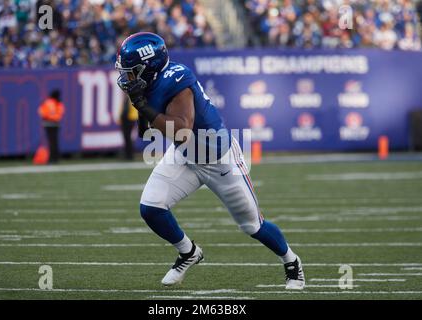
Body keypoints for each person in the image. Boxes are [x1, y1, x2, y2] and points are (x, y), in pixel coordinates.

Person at [115, 32, 305, 289]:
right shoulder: (150, 82)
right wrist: (140, 104)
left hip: (219, 160)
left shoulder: (177, 79)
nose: (127, 76)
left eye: (132, 71)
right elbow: (145, 131)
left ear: (148, 67)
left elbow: (181, 128)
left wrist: (143, 105)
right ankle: (188, 252)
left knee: (252, 226)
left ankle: (292, 263)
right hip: (185, 155)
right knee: (151, 207)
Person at [38, 89, 65, 164]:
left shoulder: (48, 102)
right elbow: (59, 114)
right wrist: (53, 117)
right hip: (54, 124)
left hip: (49, 124)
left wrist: (48, 117)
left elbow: (41, 111)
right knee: (54, 142)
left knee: (52, 142)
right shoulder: (57, 103)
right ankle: (54, 158)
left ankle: (53, 159)